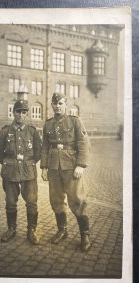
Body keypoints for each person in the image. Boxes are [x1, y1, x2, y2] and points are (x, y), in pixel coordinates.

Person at [40, 92, 91, 251]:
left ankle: (85, 235)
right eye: (55, 104)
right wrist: (44, 167)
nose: (57, 106)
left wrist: (81, 165)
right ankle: (62, 230)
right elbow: (45, 147)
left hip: (71, 167)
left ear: (65, 105)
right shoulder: (48, 124)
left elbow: (84, 144)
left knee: (77, 200)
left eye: (60, 103)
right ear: (52, 105)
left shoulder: (75, 121)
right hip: (54, 167)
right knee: (56, 200)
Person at [0, 99, 42, 245]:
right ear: (13, 113)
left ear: (26, 114)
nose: (21, 115)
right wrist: (9, 164)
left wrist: (28, 163)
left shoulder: (32, 132)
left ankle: (31, 230)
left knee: (32, 202)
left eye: (24, 112)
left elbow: (38, 152)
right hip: (10, 172)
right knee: (10, 203)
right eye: (18, 111)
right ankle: (11, 229)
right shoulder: (5, 131)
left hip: (28, 172)